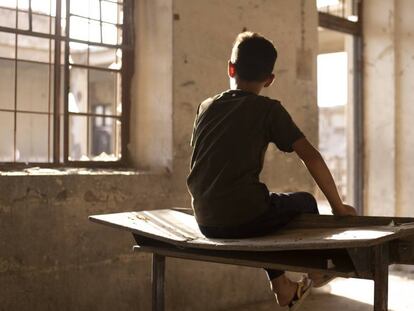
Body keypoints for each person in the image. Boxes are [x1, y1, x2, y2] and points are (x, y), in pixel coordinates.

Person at [186, 31, 356, 310]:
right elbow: (311, 157)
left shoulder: (206, 106)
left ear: (231, 68)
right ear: (270, 79)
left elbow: (202, 162)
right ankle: (316, 271)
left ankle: (283, 287)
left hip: (205, 220)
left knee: (258, 209)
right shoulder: (268, 110)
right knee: (304, 202)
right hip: (243, 218)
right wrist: (337, 207)